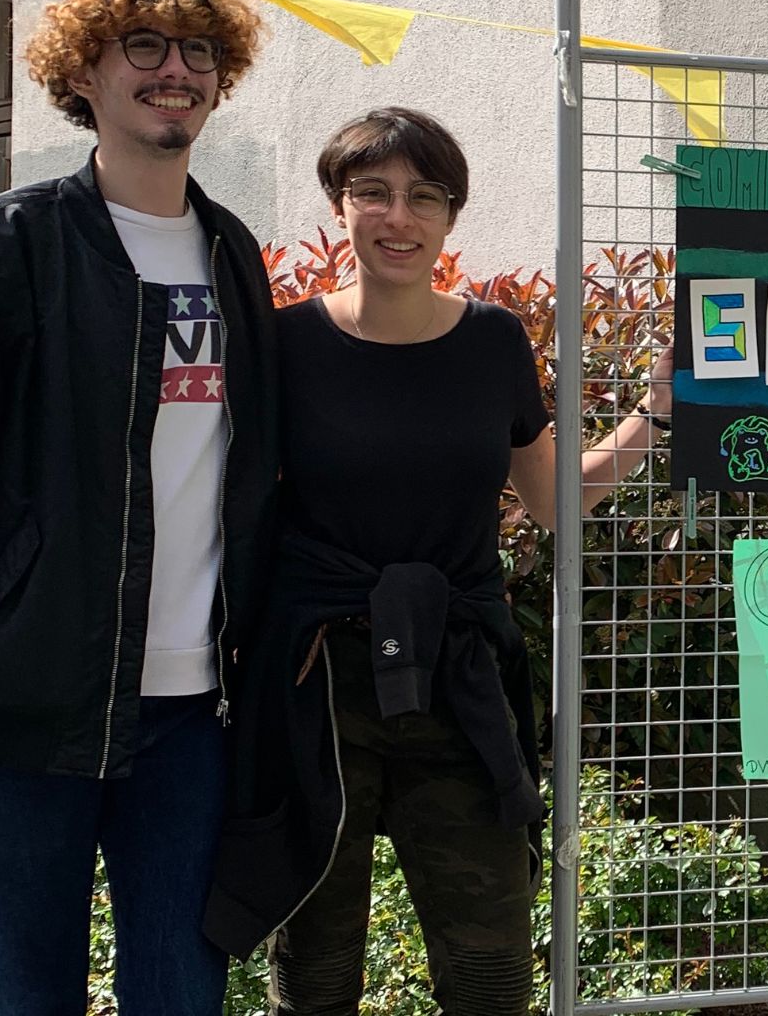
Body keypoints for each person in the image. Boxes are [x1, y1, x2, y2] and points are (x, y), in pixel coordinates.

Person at [0, 0, 279, 1015]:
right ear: (82, 74)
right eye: (142, 45)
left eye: (198, 50)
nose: (175, 69)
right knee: (28, 996)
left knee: (182, 995)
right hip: (20, 712)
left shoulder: (232, 253)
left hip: (192, 719)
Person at [202, 107, 672, 1014]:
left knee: (491, 971)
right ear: (339, 207)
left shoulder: (492, 340)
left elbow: (550, 499)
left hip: (459, 678)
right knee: (316, 970)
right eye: (372, 192)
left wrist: (654, 415)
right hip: (316, 681)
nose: (398, 216)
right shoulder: (283, 344)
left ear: (451, 215)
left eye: (425, 196)